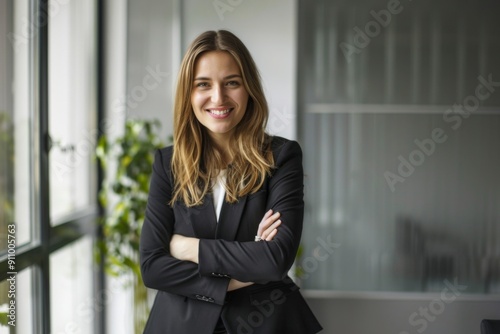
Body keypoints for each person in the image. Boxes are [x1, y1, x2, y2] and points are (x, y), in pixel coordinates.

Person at [140, 30, 322, 334]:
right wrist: (247, 264)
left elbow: (275, 260)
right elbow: (152, 268)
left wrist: (187, 247)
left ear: (248, 88)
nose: (218, 97)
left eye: (232, 83)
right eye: (203, 85)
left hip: (267, 322)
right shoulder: (168, 164)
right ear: (188, 93)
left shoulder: (280, 157)